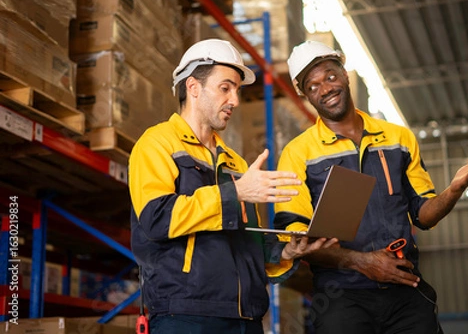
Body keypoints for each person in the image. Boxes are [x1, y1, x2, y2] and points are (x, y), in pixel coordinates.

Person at [274, 41, 468, 334]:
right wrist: (363, 262)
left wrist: (453, 190)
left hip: (404, 285)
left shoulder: (398, 138)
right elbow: (297, 242)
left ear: (345, 74)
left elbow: (424, 216)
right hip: (342, 297)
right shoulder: (297, 154)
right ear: (304, 94)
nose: (325, 89)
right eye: (313, 86)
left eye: (330, 76)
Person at [128, 39, 337, 334]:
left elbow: (249, 241)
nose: (235, 100)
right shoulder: (157, 144)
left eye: (237, 90)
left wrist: (286, 253)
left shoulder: (236, 163)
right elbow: (157, 218)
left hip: (246, 318)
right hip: (186, 316)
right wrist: (234, 193)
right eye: (225, 88)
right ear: (193, 87)